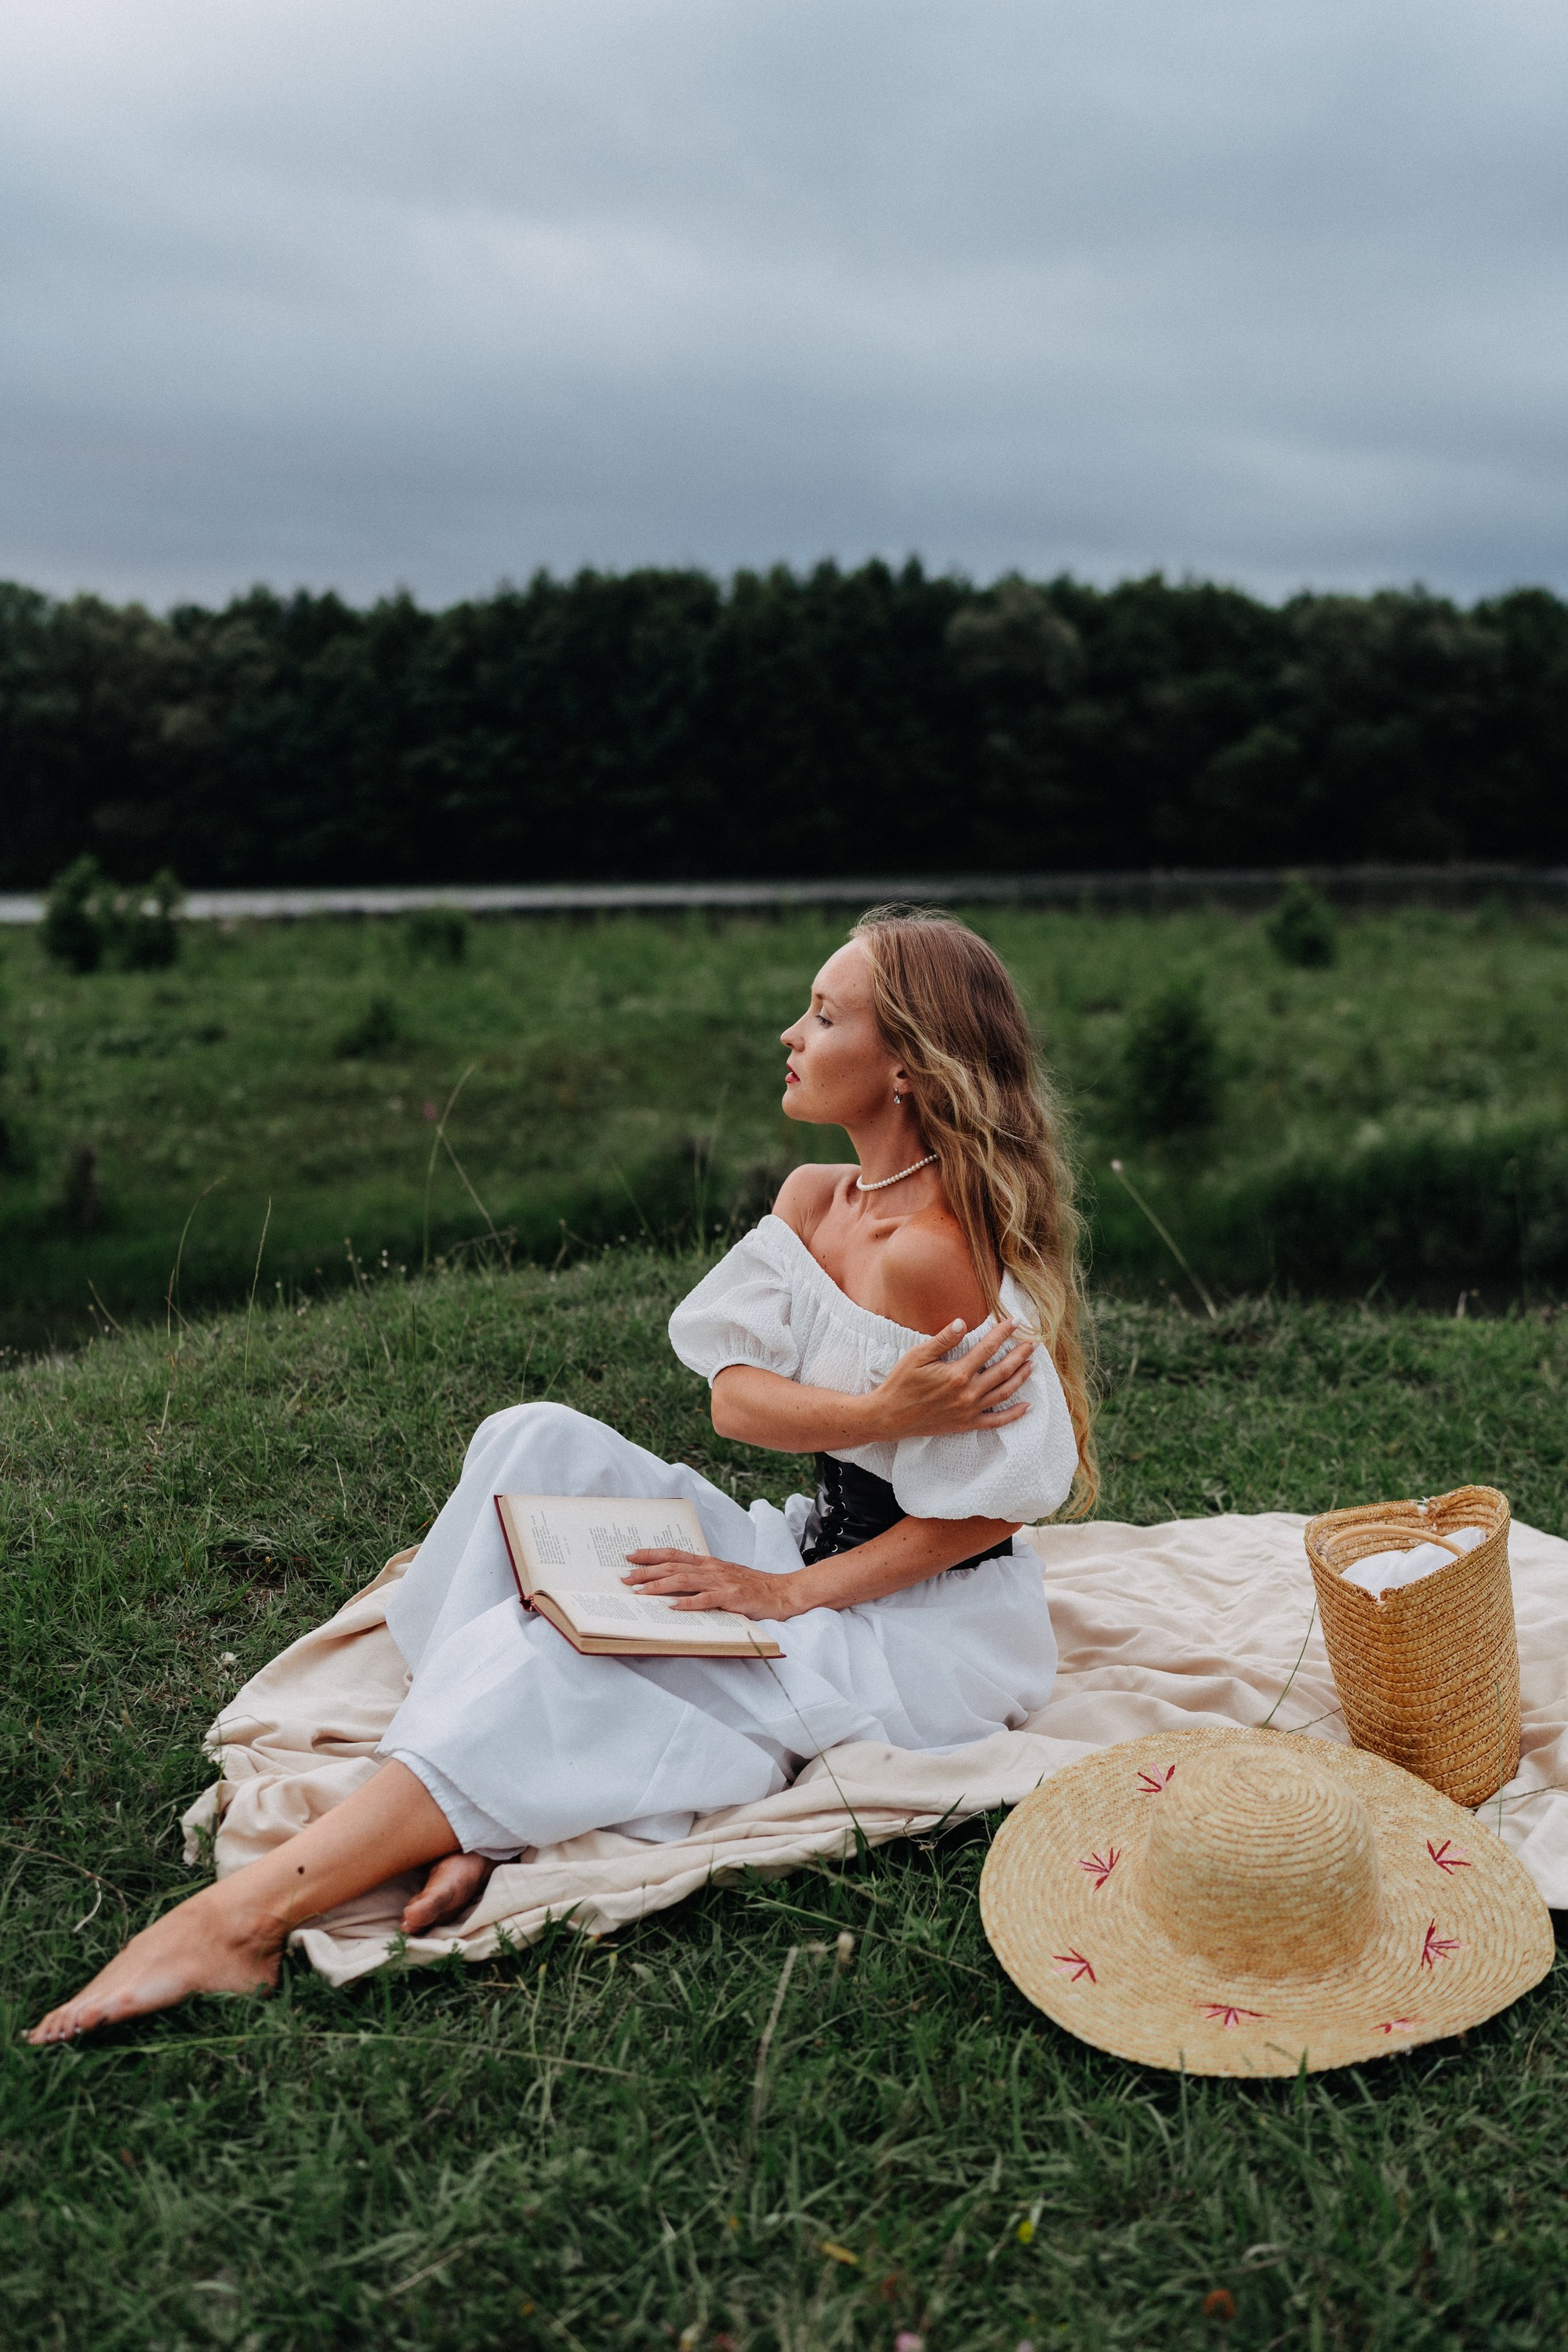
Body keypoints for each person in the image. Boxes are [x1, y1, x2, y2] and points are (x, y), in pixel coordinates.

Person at [27, 907, 1095, 2044]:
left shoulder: (937, 1256)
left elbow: (978, 1519)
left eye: (824, 1016)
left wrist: (783, 1594)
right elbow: (735, 1396)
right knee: (527, 1441)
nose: (790, 1032)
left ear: (905, 1067)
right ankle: (460, 1810)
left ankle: (239, 1919)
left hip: (915, 1625)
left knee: (559, 1649)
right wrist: (877, 1413)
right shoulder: (812, 1199)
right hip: (805, 1549)